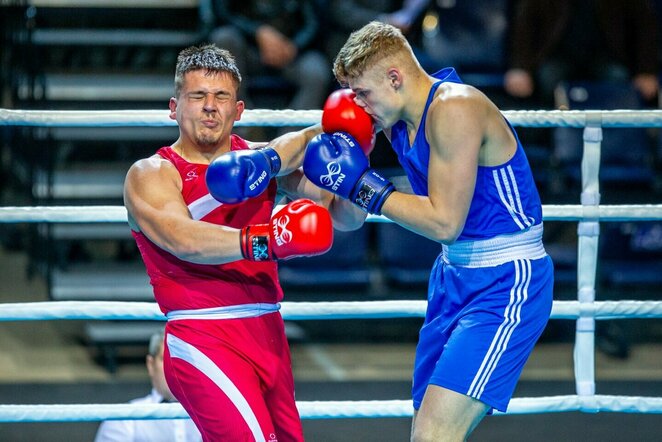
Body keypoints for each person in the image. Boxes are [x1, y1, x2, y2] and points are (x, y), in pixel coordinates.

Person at [302, 22, 554, 441]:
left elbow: (445, 222)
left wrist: (364, 186)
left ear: (395, 78)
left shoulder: (456, 108)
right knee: (425, 431)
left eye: (362, 93)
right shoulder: (394, 120)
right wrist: (283, 167)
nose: (358, 105)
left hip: (507, 279)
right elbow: (349, 218)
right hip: (452, 278)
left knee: (435, 433)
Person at [123, 43, 367, 441]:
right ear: (174, 107)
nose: (209, 107)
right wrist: (267, 239)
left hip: (268, 330)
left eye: (221, 97)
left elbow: (335, 215)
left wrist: (354, 166)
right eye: (197, 96)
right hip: (202, 333)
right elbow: (181, 238)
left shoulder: (261, 163)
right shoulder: (152, 173)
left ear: (238, 110)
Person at [504, 0, 660, 109]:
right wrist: (520, 68)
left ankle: (613, 148)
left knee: (618, 82)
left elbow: (644, 25)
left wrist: (646, 71)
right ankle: (557, 149)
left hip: (607, 58)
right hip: (558, 57)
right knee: (548, 79)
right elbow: (525, 24)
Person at [208, 0, 332, 111]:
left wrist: (294, 46)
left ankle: (293, 134)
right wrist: (256, 32)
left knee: (316, 71)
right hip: (248, 51)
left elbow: (314, 22)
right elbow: (222, 13)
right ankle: (244, 124)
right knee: (223, 37)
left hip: (292, 53)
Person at [94, 331, 202, 442]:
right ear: (151, 364)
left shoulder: (212, 415)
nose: (174, 368)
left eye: (182, 360)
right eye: (166, 359)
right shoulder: (123, 419)